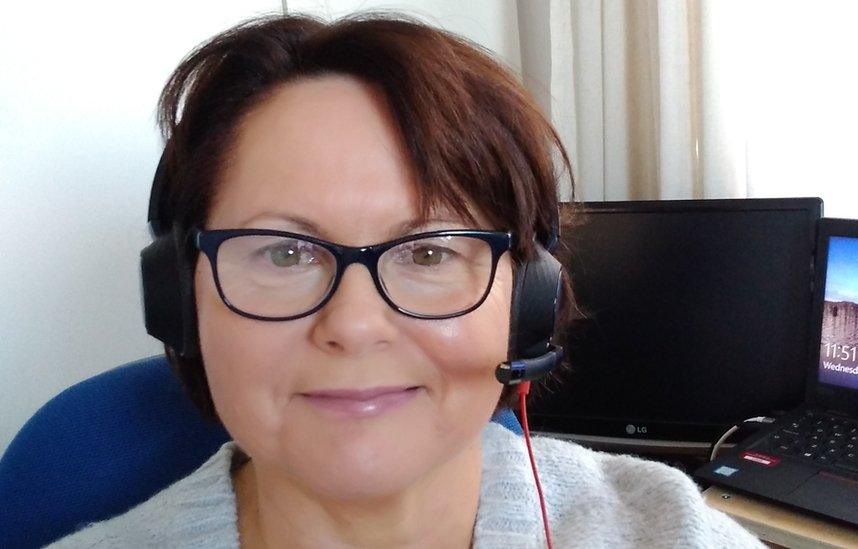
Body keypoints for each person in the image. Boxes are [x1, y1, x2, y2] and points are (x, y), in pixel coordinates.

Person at [48, 13, 762, 548]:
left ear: (528, 302)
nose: (355, 326)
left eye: (428, 253)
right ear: (178, 299)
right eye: (284, 253)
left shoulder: (670, 530)